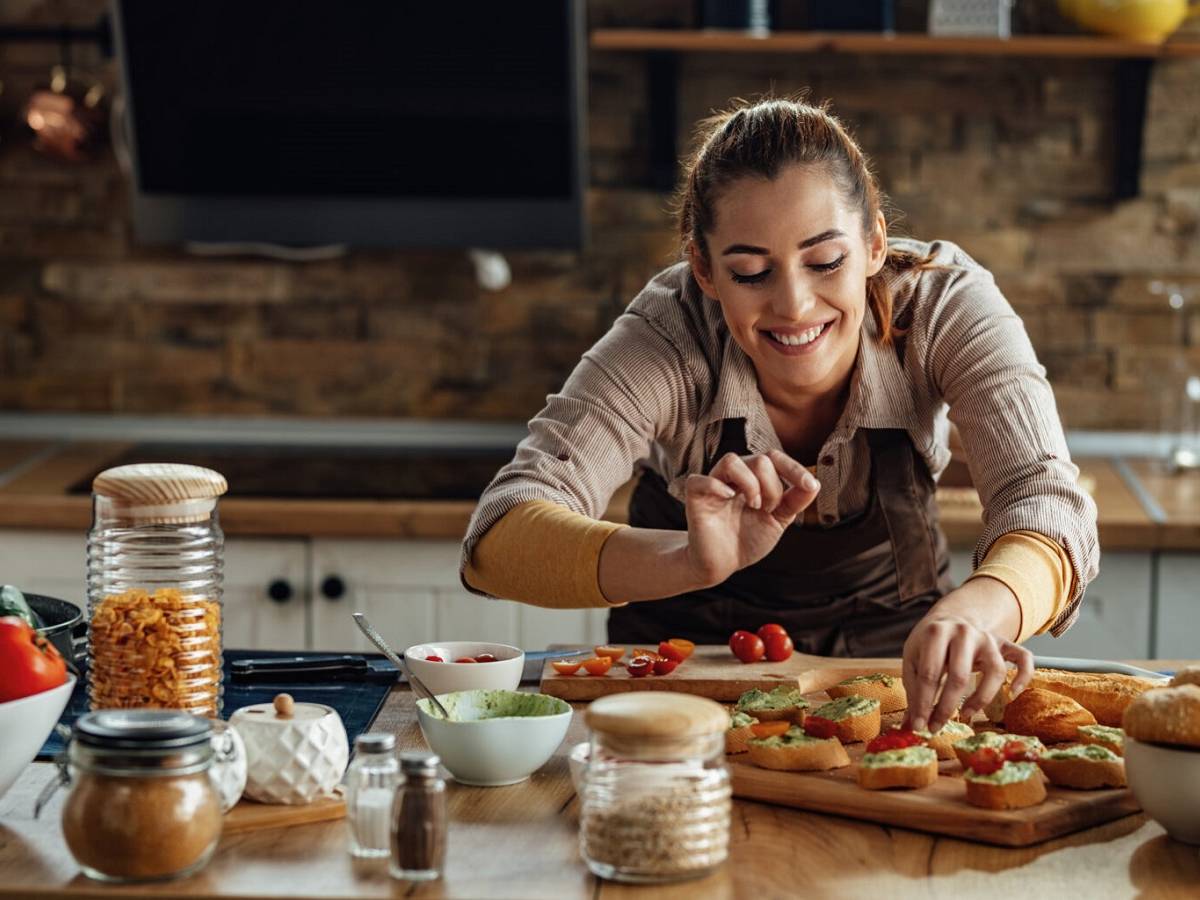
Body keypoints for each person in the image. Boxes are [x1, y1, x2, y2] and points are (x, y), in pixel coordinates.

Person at [459, 97, 1098, 734]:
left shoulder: (943, 305)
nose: (793, 304)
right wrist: (687, 559)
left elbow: (1046, 500)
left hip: (897, 664)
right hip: (684, 677)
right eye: (751, 272)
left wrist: (980, 613)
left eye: (826, 262)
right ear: (704, 270)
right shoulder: (667, 335)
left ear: (875, 242)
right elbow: (497, 539)